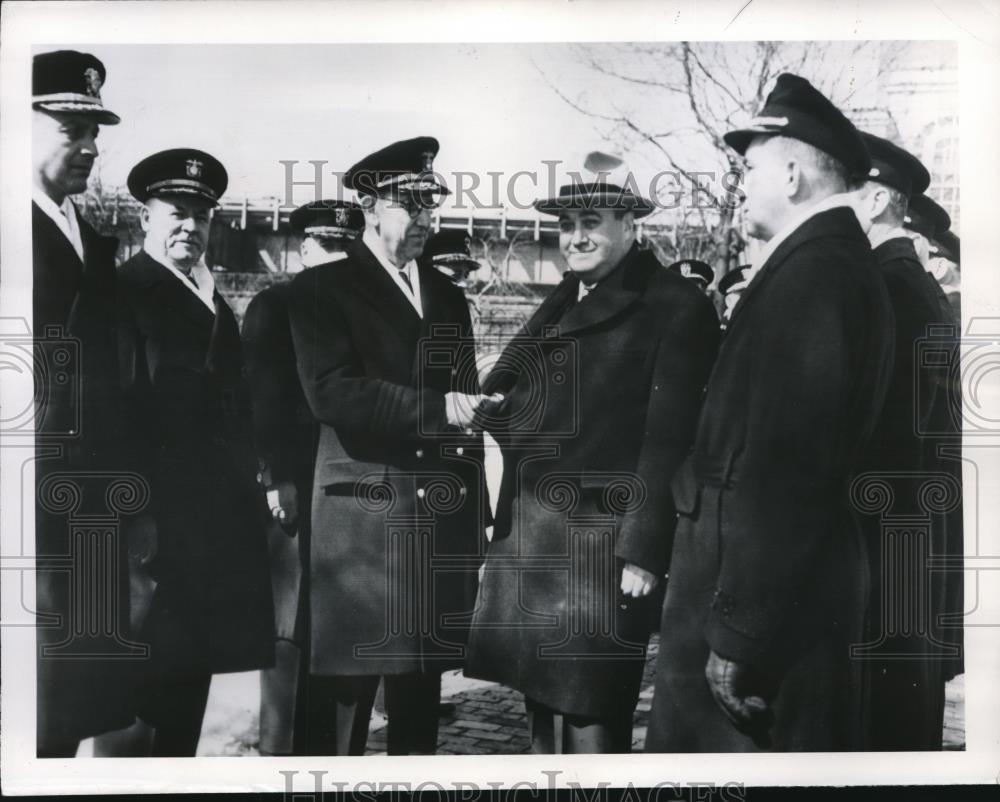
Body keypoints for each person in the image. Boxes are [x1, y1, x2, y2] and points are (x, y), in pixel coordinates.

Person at [645, 74, 895, 752]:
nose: (740, 186)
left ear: (791, 175)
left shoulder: (815, 276)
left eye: (749, 170)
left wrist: (740, 633)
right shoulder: (819, 265)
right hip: (766, 600)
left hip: (757, 622)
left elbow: (791, 471)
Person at [466, 153, 720, 753]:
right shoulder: (566, 296)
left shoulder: (674, 305)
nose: (575, 237)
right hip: (535, 535)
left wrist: (643, 550)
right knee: (540, 705)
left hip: (601, 546)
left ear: (630, 226)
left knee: (592, 711)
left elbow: (670, 439)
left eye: (591, 222)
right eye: (566, 224)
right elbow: (503, 389)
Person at [286, 136, 491, 755]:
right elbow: (332, 392)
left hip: (432, 526)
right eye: (411, 204)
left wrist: (473, 515)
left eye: (432, 203)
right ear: (371, 206)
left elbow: (465, 401)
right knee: (342, 712)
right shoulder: (322, 289)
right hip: (361, 526)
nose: (426, 217)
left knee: (419, 704)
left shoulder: (447, 296)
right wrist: (438, 409)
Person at [116, 148, 275, 756]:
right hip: (154, 527)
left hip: (211, 527)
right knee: (138, 690)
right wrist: (135, 512)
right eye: (176, 213)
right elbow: (115, 414)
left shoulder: (211, 299)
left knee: (189, 680)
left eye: (201, 216)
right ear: (145, 218)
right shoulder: (126, 293)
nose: (190, 227)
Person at [31, 49, 144, 758]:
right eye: (71, 129)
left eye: (94, 132)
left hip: (90, 508)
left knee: (70, 709)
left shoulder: (91, 241)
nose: (91, 147)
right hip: (28, 507)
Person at [850, 131, 963, 750]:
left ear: (875, 202)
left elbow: (891, 439)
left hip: (887, 540)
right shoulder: (905, 281)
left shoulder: (890, 287)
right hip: (909, 539)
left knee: (884, 721)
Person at [243, 200, 365, 756]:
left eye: (345, 248)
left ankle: (334, 762)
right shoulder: (276, 305)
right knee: (289, 624)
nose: (335, 257)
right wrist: (276, 478)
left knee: (345, 620)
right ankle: (278, 759)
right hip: (296, 488)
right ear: (305, 249)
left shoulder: (367, 311)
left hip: (350, 495)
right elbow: (259, 399)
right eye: (325, 246)